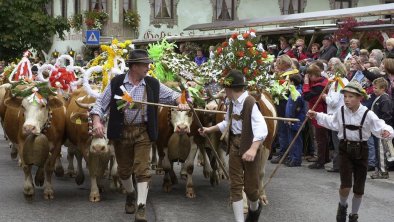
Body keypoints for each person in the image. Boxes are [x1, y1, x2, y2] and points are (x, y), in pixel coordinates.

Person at [90, 49, 189, 222]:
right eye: (145, 65)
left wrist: (181, 102)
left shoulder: (152, 84)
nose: (148, 68)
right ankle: (130, 193)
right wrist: (97, 121)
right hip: (122, 133)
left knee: (143, 169)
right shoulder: (116, 83)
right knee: (123, 171)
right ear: (134, 67)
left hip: (143, 131)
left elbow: (173, 96)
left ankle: (141, 207)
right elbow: (100, 105)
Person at [307, 81, 394, 222]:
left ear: (360, 98)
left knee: (359, 188)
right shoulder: (340, 111)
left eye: (351, 96)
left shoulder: (368, 114)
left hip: (362, 150)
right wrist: (316, 115)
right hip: (344, 149)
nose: (347, 99)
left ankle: (354, 215)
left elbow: (380, 126)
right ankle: (342, 206)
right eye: (345, 96)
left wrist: (386, 132)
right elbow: (331, 122)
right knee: (345, 185)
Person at [198, 69, 267, 222]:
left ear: (230, 89)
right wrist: (210, 129)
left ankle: (255, 209)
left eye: (225, 88)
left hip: (250, 147)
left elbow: (262, 129)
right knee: (235, 185)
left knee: (251, 188)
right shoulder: (231, 103)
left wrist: (253, 149)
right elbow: (227, 122)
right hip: (234, 146)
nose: (224, 91)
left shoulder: (250, 103)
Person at [323, 62, 349, 172]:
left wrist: (325, 97)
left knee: (337, 142)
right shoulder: (346, 81)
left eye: (333, 69)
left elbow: (333, 101)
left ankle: (338, 165)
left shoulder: (338, 82)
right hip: (343, 113)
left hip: (336, 114)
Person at [303, 63, 330, 169]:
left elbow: (307, 96)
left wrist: (306, 84)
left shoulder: (320, 85)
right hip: (316, 110)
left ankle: (320, 161)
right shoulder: (321, 81)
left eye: (309, 76)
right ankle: (325, 158)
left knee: (320, 137)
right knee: (322, 137)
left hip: (320, 112)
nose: (309, 78)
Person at [370, 77, 393, 179]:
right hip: (377, 129)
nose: (373, 90)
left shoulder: (385, 99)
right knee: (378, 150)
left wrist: (383, 128)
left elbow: (386, 116)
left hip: (382, 130)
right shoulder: (379, 98)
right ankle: (378, 170)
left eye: (376, 88)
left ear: (383, 88)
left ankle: (383, 172)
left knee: (382, 150)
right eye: (373, 88)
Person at [284, 74, 306, 167]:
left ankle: (296, 159)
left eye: (288, 81)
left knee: (295, 140)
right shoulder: (294, 92)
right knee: (291, 139)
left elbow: (293, 107)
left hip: (295, 120)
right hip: (292, 119)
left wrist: (290, 118)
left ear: (292, 82)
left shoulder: (297, 93)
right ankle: (292, 157)